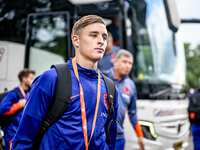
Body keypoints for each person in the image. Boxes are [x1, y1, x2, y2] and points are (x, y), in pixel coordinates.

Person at [10, 15, 118, 150]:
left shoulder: (110, 88)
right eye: (93, 35)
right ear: (76, 40)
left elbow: (111, 137)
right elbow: (24, 136)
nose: (101, 41)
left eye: (104, 37)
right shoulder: (51, 78)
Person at [103, 49, 145, 150]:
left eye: (130, 63)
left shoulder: (130, 85)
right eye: (124, 62)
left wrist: (140, 136)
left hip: (119, 138)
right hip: (101, 136)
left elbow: (133, 112)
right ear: (116, 62)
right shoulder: (102, 78)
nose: (128, 66)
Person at [0, 68, 35, 150]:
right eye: (31, 78)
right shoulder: (13, 94)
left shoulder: (28, 93)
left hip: (21, 133)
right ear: (24, 79)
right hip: (12, 132)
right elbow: (2, 109)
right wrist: (19, 104)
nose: (33, 80)